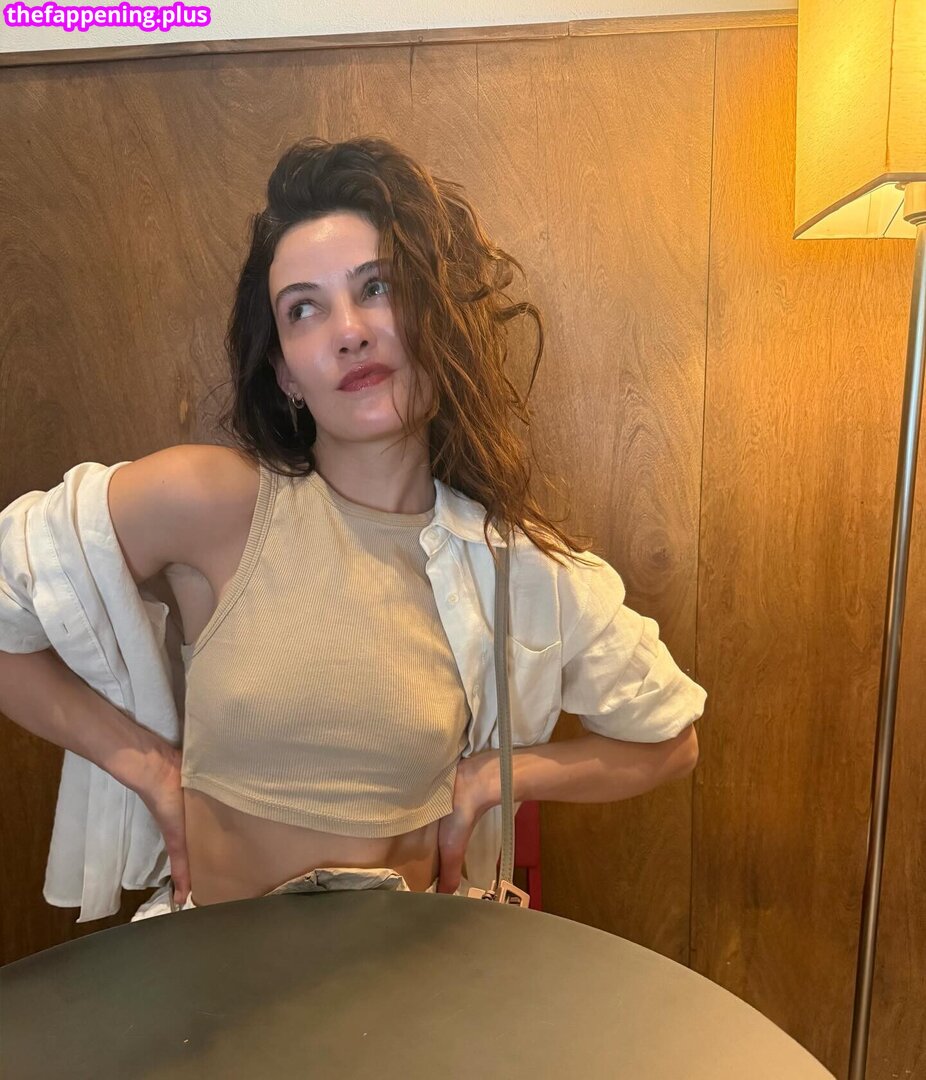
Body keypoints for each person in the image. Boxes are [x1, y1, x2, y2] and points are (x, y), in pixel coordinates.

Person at [0, 136, 705, 920]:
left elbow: (668, 741)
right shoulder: (214, 503)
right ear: (285, 372)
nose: (349, 330)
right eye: (304, 309)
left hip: (411, 977)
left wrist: (492, 778)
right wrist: (145, 765)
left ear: (434, 318)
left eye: (378, 288)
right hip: (212, 977)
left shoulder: (508, 563)